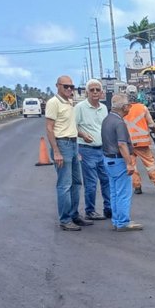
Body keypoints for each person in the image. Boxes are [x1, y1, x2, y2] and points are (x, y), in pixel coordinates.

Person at [46, 75, 94, 231]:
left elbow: (69, 126)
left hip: (73, 144)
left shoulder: (69, 102)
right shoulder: (53, 103)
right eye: (65, 86)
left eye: (71, 86)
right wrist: (56, 151)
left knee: (76, 182)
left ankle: (74, 215)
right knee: (64, 184)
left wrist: (82, 135)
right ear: (57, 86)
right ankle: (65, 219)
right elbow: (49, 128)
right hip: (62, 144)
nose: (69, 89)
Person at [101, 93, 143, 231]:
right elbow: (122, 144)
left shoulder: (107, 119)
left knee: (114, 192)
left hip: (108, 159)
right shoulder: (119, 123)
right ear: (124, 107)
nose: (129, 108)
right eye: (129, 105)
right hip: (118, 160)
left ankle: (117, 220)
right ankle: (123, 222)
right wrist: (129, 163)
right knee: (123, 193)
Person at [75, 79, 112, 221]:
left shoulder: (103, 108)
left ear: (102, 92)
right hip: (87, 150)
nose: (95, 92)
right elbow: (72, 127)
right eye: (92, 90)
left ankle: (109, 208)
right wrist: (83, 135)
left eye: (98, 90)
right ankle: (90, 210)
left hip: (103, 149)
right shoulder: (80, 108)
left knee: (106, 180)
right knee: (91, 183)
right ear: (87, 92)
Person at [124, 85, 155, 194]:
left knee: (132, 165)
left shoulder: (124, 109)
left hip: (128, 143)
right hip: (142, 142)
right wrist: (154, 131)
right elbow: (151, 124)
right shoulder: (143, 108)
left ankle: (137, 187)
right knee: (150, 164)